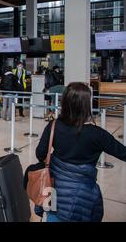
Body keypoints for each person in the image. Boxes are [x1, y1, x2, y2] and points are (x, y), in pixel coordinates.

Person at [35, 82, 126, 222]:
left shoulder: (53, 126)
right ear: (86, 105)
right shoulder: (98, 135)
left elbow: (40, 154)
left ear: (64, 102)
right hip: (82, 198)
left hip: (54, 192)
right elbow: (123, 153)